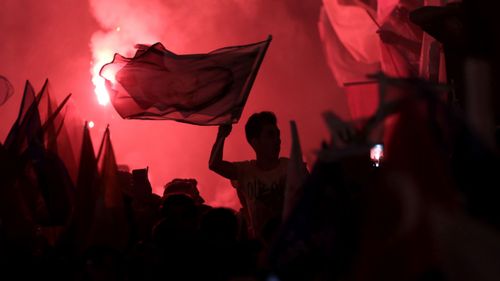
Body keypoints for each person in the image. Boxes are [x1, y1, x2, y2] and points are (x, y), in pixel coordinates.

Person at [209, 111, 308, 240]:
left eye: (278, 134)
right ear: (255, 142)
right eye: (270, 135)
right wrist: (221, 135)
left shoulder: (294, 167)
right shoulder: (245, 171)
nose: (278, 140)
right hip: (263, 249)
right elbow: (214, 164)